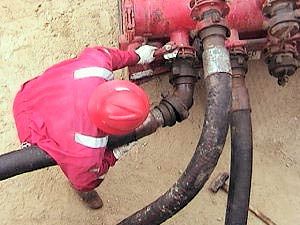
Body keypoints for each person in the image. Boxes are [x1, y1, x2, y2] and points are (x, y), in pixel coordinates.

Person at [13, 44, 157, 209]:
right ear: (116, 131)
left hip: (32, 92)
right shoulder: (87, 151)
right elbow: (86, 180)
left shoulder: (97, 64)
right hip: (31, 126)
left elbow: (110, 55)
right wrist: (115, 154)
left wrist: (137, 56)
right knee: (76, 172)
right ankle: (82, 194)